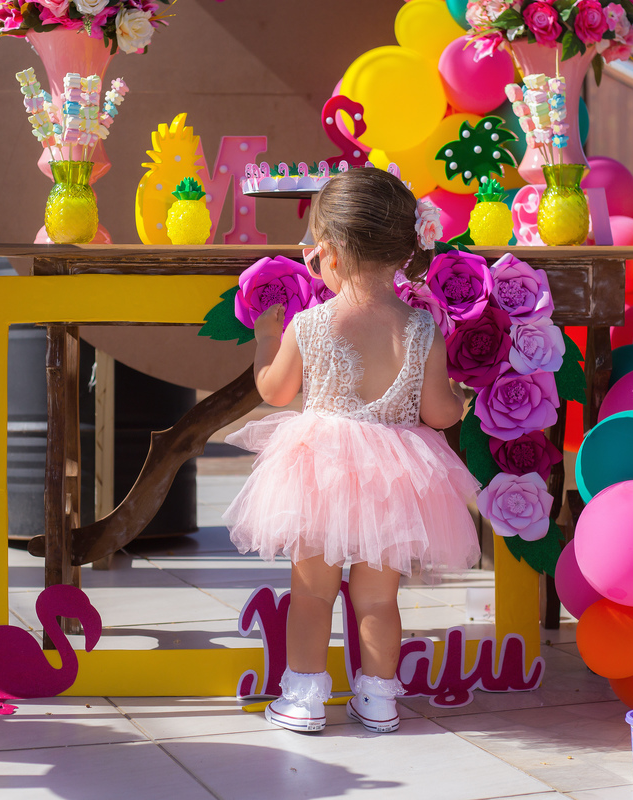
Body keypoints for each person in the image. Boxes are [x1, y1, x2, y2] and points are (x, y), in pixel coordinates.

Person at [222, 168, 481, 734]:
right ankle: (379, 699)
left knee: (312, 595)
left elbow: (275, 392)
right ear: (407, 249)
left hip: (321, 476)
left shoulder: (310, 324)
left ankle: (304, 699)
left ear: (330, 252)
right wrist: (459, 393)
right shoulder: (421, 328)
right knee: (379, 601)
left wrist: (265, 342)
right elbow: (440, 414)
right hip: (394, 482)